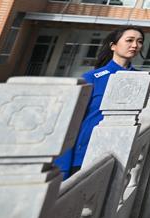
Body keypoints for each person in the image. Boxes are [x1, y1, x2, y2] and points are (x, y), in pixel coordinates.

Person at [54, 26, 143, 179]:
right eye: (129, 40)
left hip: (120, 150)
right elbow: (70, 120)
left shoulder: (141, 79)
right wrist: (63, 165)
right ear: (113, 46)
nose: (135, 45)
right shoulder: (93, 78)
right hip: (85, 153)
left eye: (139, 42)